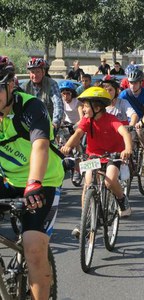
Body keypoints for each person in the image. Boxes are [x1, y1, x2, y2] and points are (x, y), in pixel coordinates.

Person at [0, 56, 64, 299]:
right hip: (8, 179)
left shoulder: (31, 107)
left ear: (9, 85)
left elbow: (40, 146)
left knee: (34, 248)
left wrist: (34, 183)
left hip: (43, 180)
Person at [61, 87, 133, 231]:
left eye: (86, 105)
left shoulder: (111, 119)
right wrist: (67, 147)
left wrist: (128, 149)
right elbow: (77, 135)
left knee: (110, 180)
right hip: (93, 156)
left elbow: (125, 133)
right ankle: (86, 219)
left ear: (98, 108)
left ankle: (121, 199)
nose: (83, 108)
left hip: (113, 155)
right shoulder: (87, 120)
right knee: (88, 183)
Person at [119, 69, 144, 169]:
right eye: (131, 83)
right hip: (130, 122)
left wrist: (143, 122)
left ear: (141, 83)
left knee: (140, 130)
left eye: (135, 83)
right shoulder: (124, 94)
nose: (133, 85)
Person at [20, 57, 64, 129]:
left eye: (37, 72)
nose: (35, 75)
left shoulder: (51, 84)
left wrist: (55, 123)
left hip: (48, 124)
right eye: (32, 72)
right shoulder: (24, 86)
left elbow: (58, 104)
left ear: (43, 73)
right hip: (30, 125)